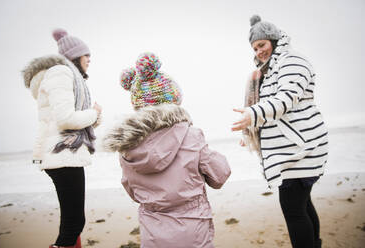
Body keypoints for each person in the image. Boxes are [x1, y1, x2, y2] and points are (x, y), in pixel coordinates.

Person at [103, 52, 231, 248]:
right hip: (193, 228)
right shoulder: (191, 136)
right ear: (173, 101)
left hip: (152, 230)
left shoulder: (127, 146)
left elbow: (132, 190)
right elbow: (220, 174)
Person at [231, 15, 328, 248]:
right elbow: (271, 108)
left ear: (274, 39)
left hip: (299, 150)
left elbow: (286, 98)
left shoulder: (291, 60)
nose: (259, 51)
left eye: (262, 44)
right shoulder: (269, 69)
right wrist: (252, 130)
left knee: (294, 210)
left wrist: (252, 115)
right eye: (255, 48)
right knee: (302, 204)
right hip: (294, 150)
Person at [22, 28, 102, 248]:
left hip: (65, 153)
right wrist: (94, 113)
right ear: (75, 56)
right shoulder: (61, 72)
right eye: (87, 56)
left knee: (72, 222)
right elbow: (65, 119)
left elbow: (70, 118)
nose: (89, 61)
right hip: (62, 153)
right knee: (74, 222)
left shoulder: (67, 76)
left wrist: (95, 117)